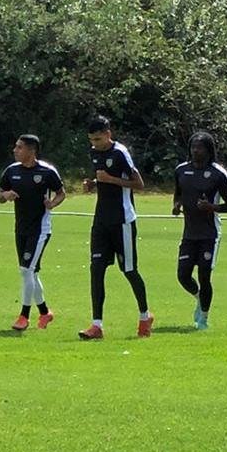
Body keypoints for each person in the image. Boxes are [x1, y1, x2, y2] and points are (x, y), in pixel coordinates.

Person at [78, 116, 150, 340]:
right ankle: (96, 325)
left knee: (129, 270)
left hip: (123, 220)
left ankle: (144, 316)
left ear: (108, 133)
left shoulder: (120, 153)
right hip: (101, 220)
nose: (95, 144)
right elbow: (102, 179)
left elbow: (139, 184)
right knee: (96, 269)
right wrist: (93, 184)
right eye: (91, 140)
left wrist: (109, 179)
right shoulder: (94, 152)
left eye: (98, 139)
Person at [0, 134, 65, 331]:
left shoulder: (47, 172)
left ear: (31, 151)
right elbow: (0, 195)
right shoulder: (11, 171)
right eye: (15, 147)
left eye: (19, 147)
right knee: (31, 272)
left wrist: (52, 204)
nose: (15, 150)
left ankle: (24, 316)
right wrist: (5, 195)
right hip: (21, 228)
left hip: (40, 229)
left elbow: (61, 193)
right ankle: (45, 313)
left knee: (26, 270)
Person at [172, 132, 227, 330]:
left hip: (210, 233)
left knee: (204, 276)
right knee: (182, 275)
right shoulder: (181, 170)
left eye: (199, 147)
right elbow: (178, 194)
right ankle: (200, 298)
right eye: (193, 147)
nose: (195, 151)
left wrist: (212, 207)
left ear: (209, 151)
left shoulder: (218, 174)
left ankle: (203, 319)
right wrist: (176, 205)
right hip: (189, 232)